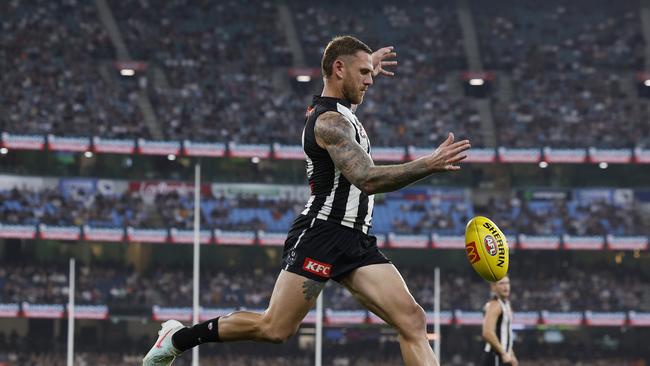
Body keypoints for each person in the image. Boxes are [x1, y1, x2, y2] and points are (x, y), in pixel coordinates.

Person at [143, 35, 471, 366]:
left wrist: (368, 60)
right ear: (339, 69)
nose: (371, 79)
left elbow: (348, 86)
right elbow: (368, 179)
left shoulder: (343, 110)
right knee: (275, 328)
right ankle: (177, 338)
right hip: (322, 233)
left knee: (412, 320)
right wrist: (428, 164)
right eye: (363, 72)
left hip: (355, 239)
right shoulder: (329, 122)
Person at [481, 276, 519, 366]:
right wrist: (503, 353)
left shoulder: (507, 304)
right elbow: (487, 332)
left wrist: (511, 354)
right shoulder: (495, 305)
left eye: (507, 283)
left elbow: (506, 335)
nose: (505, 286)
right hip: (495, 356)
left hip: (503, 356)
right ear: (493, 287)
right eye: (501, 283)